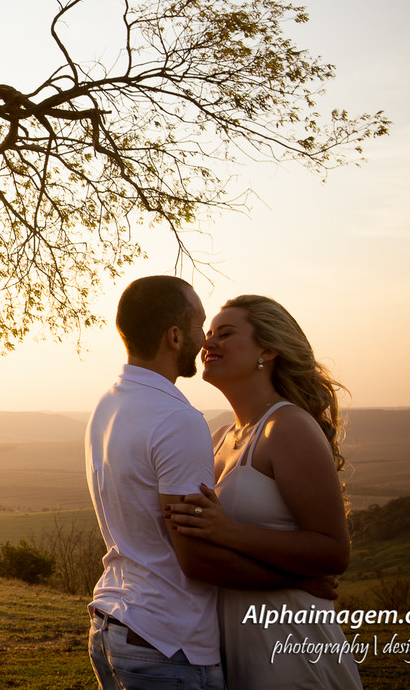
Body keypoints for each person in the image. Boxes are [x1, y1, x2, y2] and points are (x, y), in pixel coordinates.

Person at [86, 277, 320, 690]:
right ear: (175, 337)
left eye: (219, 333)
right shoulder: (179, 419)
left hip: (116, 624)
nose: (206, 341)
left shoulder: (108, 404)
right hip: (168, 643)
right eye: (201, 327)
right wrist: (298, 582)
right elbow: (196, 559)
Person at [166, 295, 362, 689]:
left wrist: (229, 532)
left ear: (268, 349)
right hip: (232, 651)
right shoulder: (219, 437)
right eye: (207, 334)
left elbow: (333, 551)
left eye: (225, 333)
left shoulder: (288, 427)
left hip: (291, 649)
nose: (208, 343)